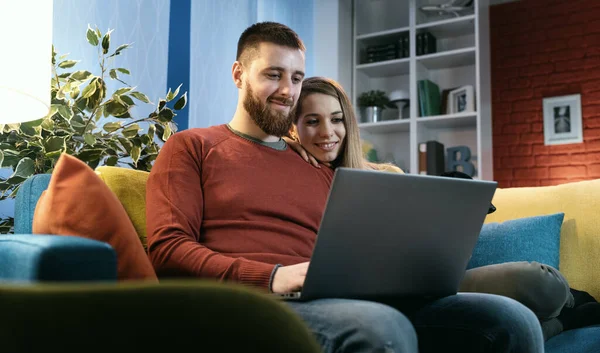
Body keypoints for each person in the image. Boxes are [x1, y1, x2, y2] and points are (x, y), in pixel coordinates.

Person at [146, 22, 544, 352]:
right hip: (258, 302)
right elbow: (167, 247)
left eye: (296, 77)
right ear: (238, 75)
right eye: (273, 74)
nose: (288, 90)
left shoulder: (316, 164)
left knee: (512, 320)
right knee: (380, 328)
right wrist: (271, 276)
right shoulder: (193, 147)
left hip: (348, 296)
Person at [288, 76, 574, 340]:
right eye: (312, 121)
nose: (327, 132)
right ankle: (563, 322)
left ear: (348, 123)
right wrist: (289, 146)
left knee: (540, 281)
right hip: (370, 304)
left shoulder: (386, 175)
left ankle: (572, 305)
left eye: (336, 119)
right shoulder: (292, 180)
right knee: (527, 302)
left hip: (425, 282)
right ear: (294, 127)